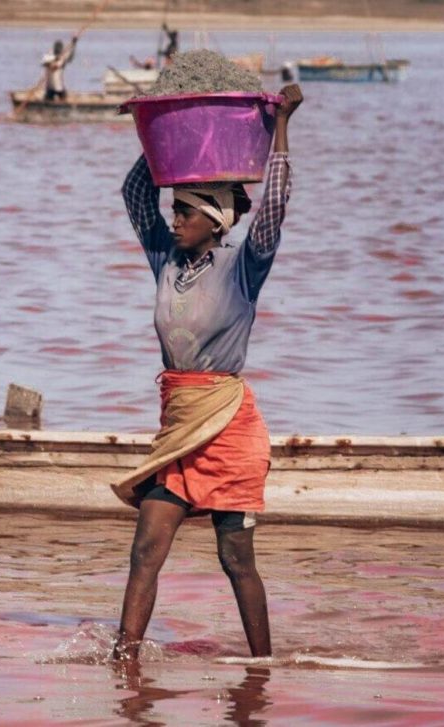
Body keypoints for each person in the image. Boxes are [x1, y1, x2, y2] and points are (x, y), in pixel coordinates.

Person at [112, 84, 304, 662]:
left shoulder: (244, 266)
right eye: (175, 209)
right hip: (179, 426)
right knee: (147, 548)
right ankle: (124, 663)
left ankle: (262, 669)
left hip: (228, 428)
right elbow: (134, 191)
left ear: (217, 219)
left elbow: (272, 208)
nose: (174, 219)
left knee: (235, 559)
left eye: (186, 211)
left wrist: (282, 127)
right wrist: (164, 133)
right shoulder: (165, 259)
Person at [42, 37, 78, 101]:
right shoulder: (49, 55)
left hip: (59, 86)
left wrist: (73, 44)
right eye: (57, 48)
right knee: (48, 99)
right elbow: (45, 63)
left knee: (63, 98)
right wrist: (55, 59)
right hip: (50, 87)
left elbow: (70, 58)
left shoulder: (62, 57)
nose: (58, 50)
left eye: (60, 48)